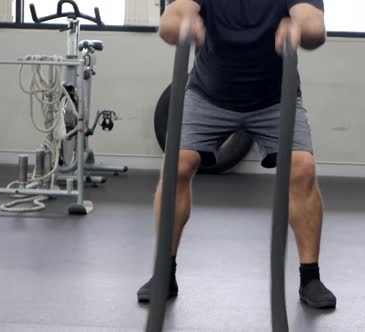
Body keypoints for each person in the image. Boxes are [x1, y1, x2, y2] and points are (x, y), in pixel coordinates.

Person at [138, 0, 336, 309]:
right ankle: (164, 271)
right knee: (177, 165)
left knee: (302, 168)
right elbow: (170, 21)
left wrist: (298, 28)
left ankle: (310, 277)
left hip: (274, 98)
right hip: (208, 95)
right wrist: (183, 24)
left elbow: (315, 25)